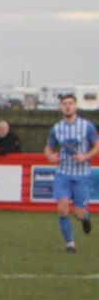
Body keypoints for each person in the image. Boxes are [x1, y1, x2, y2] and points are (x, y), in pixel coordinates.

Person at [44, 93, 96, 252]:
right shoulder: (57, 128)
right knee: (62, 209)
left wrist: (85, 156)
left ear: (76, 106)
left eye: (70, 103)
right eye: (64, 103)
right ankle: (70, 244)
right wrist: (51, 156)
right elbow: (48, 148)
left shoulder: (87, 126)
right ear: (60, 107)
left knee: (79, 213)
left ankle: (85, 217)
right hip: (63, 173)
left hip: (81, 174)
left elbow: (97, 146)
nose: (67, 106)